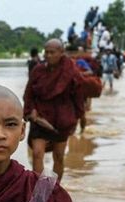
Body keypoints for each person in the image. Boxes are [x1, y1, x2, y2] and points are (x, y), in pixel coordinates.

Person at [24, 39, 84, 182]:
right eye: (46, 52)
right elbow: (28, 93)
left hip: (61, 119)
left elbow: (78, 95)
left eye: (52, 52)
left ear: (61, 53)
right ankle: (37, 190)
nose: (48, 55)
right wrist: (30, 110)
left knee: (59, 156)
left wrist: (77, 116)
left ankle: (55, 189)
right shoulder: (38, 70)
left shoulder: (71, 71)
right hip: (40, 116)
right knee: (37, 153)